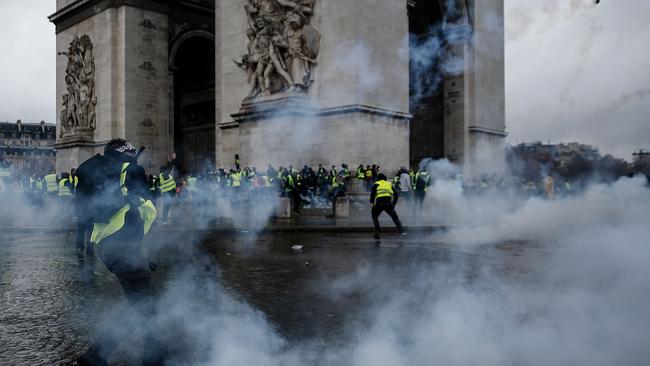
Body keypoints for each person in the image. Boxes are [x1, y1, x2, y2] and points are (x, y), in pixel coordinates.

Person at [75, 139, 162, 365]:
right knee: (146, 306)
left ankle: (97, 356)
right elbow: (147, 210)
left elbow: (117, 219)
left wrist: (139, 254)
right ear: (128, 154)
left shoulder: (98, 173)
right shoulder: (132, 171)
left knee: (142, 304)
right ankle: (150, 358)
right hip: (123, 250)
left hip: (109, 248)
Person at [370, 173, 405, 240]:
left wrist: (372, 205)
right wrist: (393, 204)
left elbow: (372, 195)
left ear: (378, 178)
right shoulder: (389, 184)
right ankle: (402, 232)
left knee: (374, 216)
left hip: (379, 203)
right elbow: (396, 195)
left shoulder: (376, 184)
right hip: (388, 203)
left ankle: (378, 232)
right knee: (395, 218)